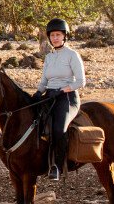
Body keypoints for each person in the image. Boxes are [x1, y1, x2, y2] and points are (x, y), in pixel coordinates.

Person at [37, 17, 86, 181]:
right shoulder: (49, 57)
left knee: (59, 129)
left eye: (58, 35)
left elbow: (81, 81)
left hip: (67, 97)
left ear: (65, 36)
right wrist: (37, 93)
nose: (55, 38)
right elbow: (44, 81)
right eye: (52, 35)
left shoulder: (72, 55)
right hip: (50, 95)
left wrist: (65, 89)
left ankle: (57, 166)